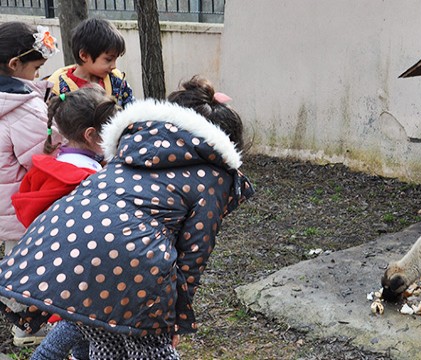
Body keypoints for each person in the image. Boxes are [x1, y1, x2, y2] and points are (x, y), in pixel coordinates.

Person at [0, 76, 254, 359]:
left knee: (104, 341)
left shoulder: (134, 147)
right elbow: (194, 253)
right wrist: (173, 319)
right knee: (152, 348)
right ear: (226, 146)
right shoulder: (214, 176)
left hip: (63, 245)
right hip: (131, 261)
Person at [11, 85, 119, 360]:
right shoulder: (90, 179)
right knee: (80, 321)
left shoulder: (52, 166)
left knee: (83, 330)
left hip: (57, 266)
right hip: (87, 271)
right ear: (92, 135)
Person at [0, 21, 61, 346]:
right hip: (23, 205)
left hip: (5, 203)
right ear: (15, 65)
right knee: (29, 267)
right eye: (36, 68)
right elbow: (42, 157)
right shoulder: (22, 109)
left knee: (14, 259)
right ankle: (29, 329)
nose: (38, 75)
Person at [48, 17, 134, 109]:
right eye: (108, 59)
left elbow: (132, 112)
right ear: (84, 55)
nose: (114, 66)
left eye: (115, 59)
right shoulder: (58, 89)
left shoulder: (117, 81)